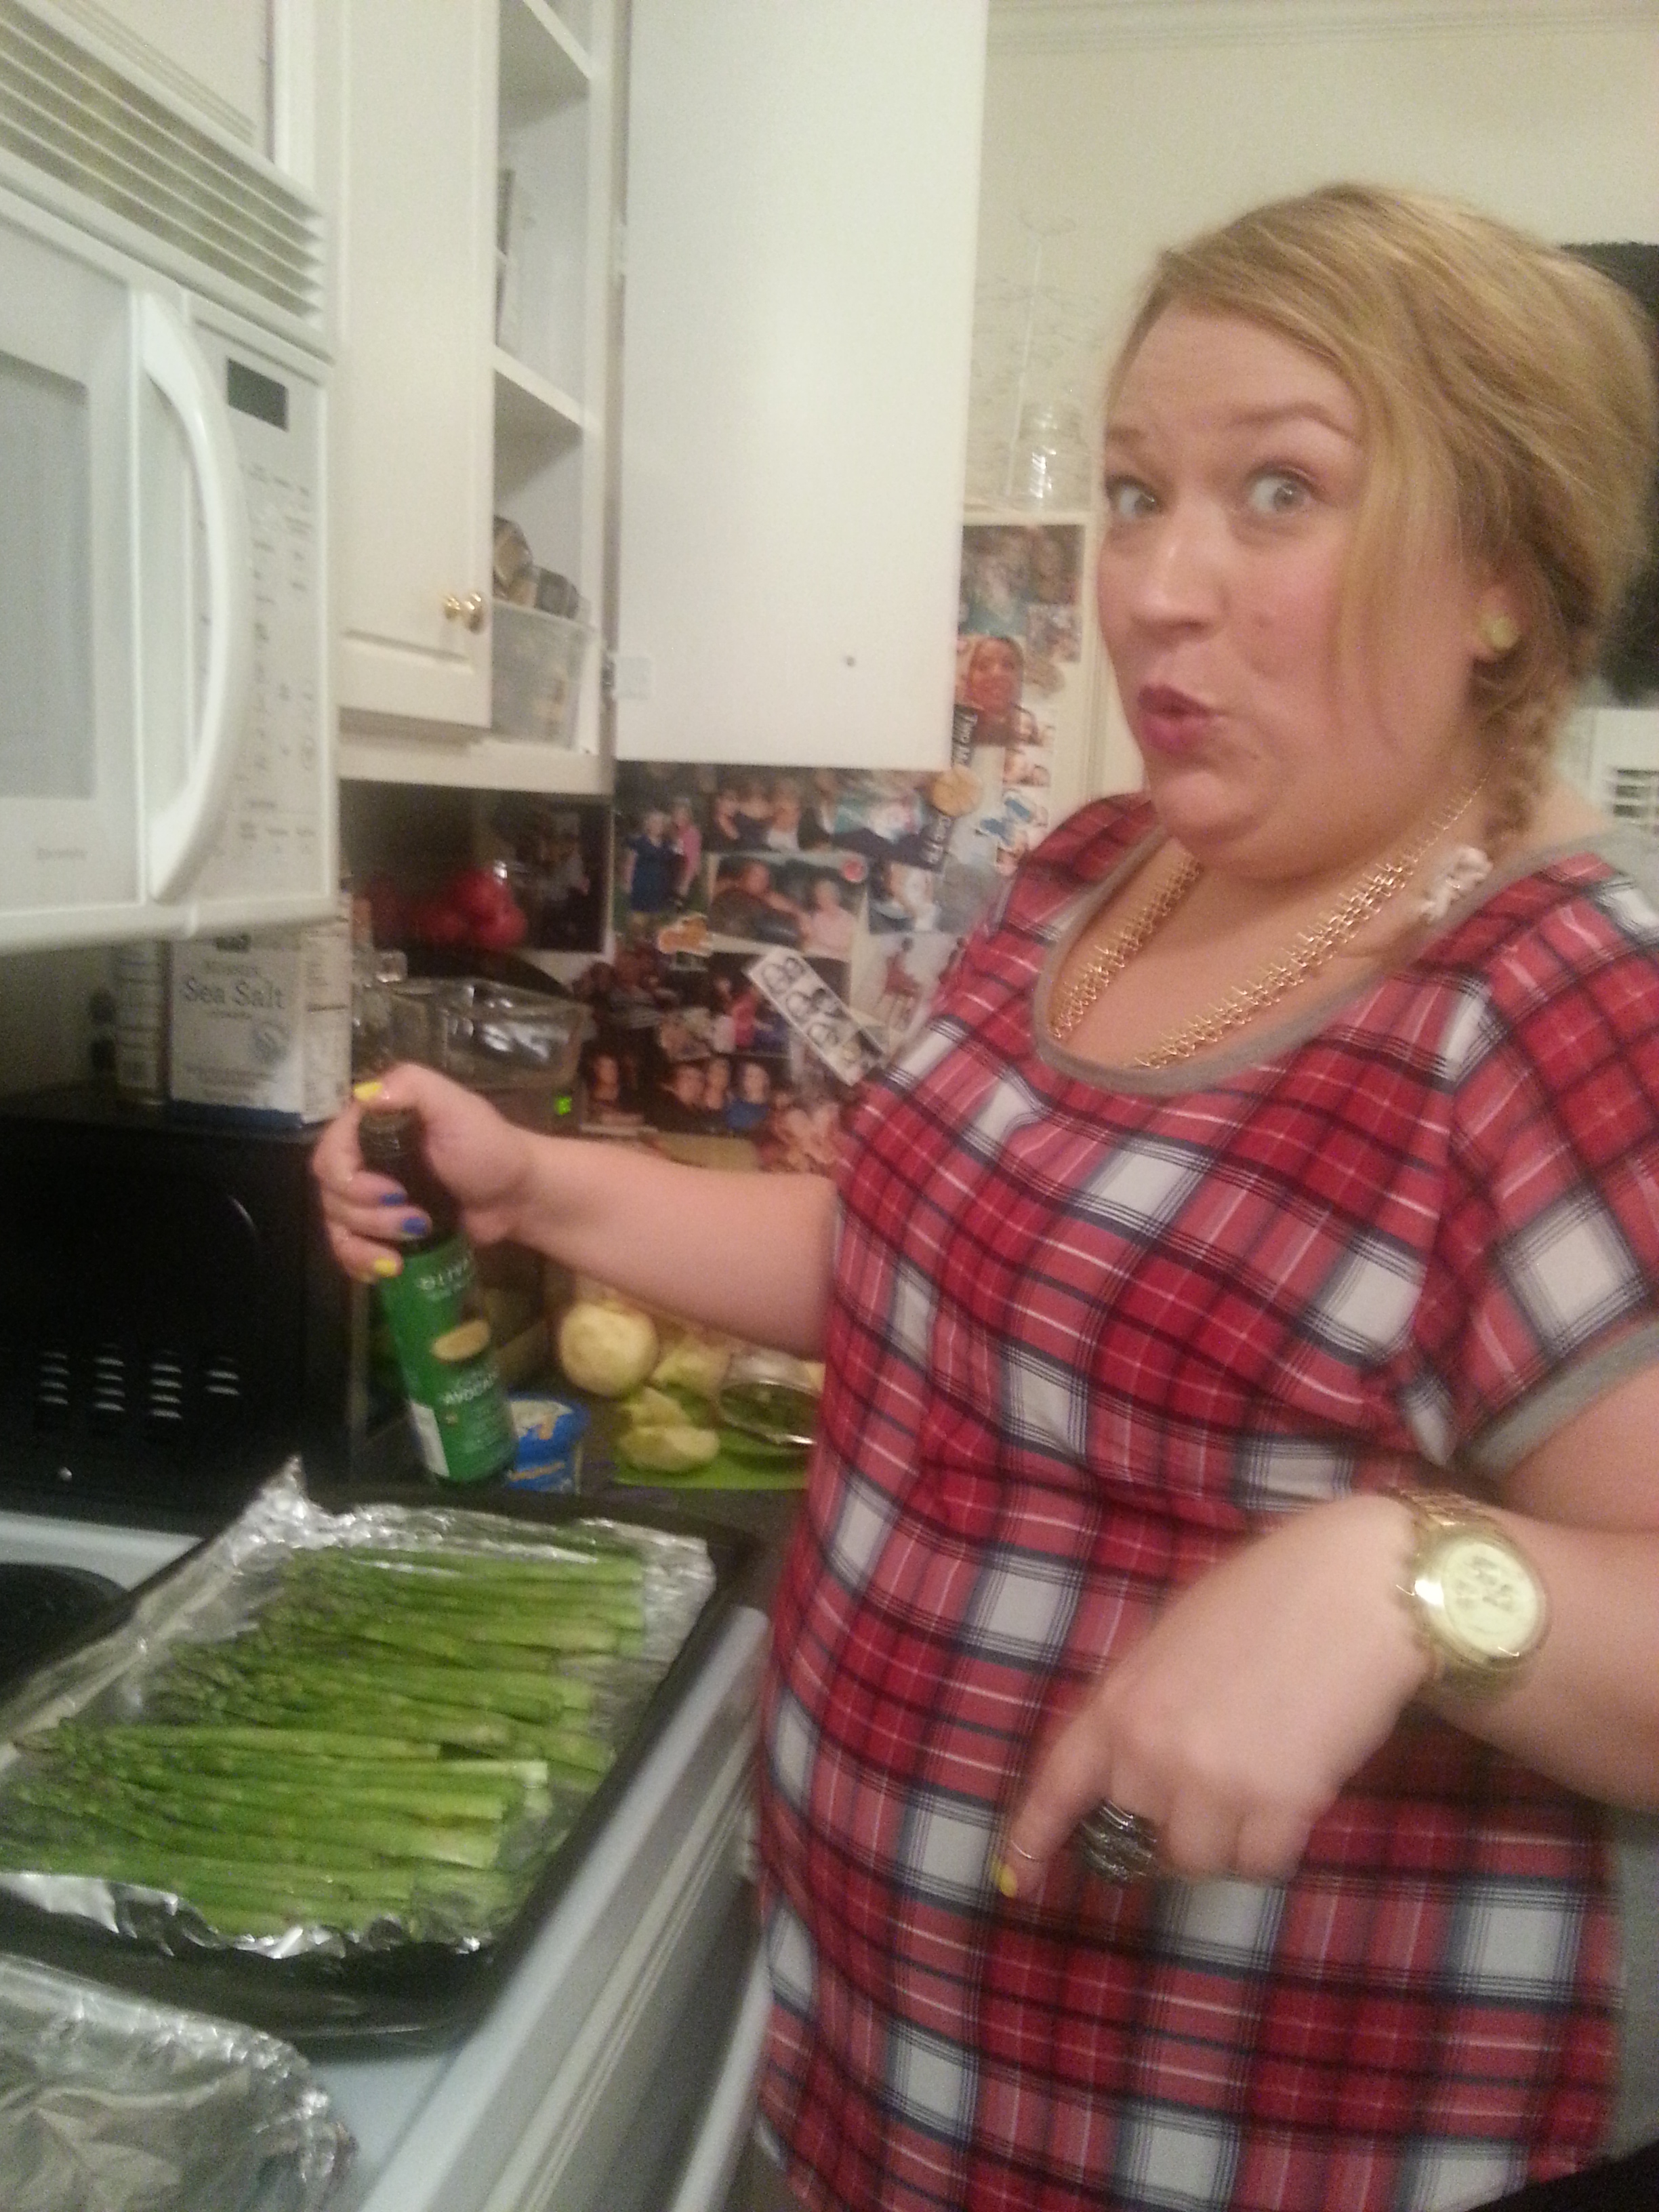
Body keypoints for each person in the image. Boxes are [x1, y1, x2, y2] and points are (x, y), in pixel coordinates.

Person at [313, 185, 1659, 2212]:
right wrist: (540, 1185)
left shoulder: (1557, 1002)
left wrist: (1404, 1581)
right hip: (890, 2081)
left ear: (1500, 576)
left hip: (1250, 2149)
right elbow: (922, 1276)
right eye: (1134, 494)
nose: (1157, 589)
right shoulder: (1106, 874)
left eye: (1281, 491)